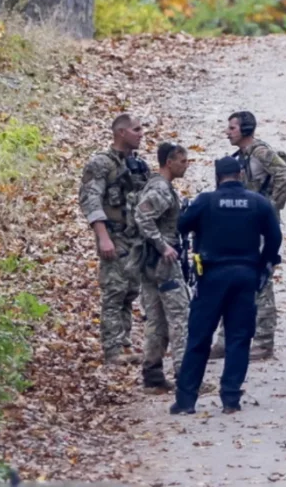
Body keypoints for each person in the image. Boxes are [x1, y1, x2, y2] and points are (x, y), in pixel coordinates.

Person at [171, 156, 282, 415]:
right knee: (238, 338)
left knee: (199, 338)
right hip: (245, 275)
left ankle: (186, 400)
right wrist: (264, 265)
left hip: (212, 276)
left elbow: (181, 226)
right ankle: (231, 398)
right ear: (240, 175)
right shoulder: (258, 202)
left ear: (218, 177)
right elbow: (274, 238)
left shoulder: (205, 201)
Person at [210, 111, 286, 361]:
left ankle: (264, 342)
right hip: (241, 227)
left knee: (261, 280)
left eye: (232, 128)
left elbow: (285, 176)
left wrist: (270, 208)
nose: (228, 132)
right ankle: (225, 341)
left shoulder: (260, 152)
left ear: (245, 129)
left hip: (258, 229)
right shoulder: (240, 157)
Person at [78, 113, 151, 365]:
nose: (141, 134)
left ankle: (124, 343)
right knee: (114, 292)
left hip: (134, 238)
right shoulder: (101, 164)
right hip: (114, 235)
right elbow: (90, 200)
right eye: (136, 129)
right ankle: (112, 349)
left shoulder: (137, 164)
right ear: (121, 132)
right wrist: (103, 237)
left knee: (130, 291)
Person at [133, 142, 192, 392]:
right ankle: (186, 376)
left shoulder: (158, 186)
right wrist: (163, 246)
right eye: (182, 161)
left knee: (156, 319)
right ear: (169, 162)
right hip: (163, 262)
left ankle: (153, 375)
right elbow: (142, 216)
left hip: (149, 262)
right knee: (180, 316)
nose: (186, 165)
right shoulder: (161, 189)